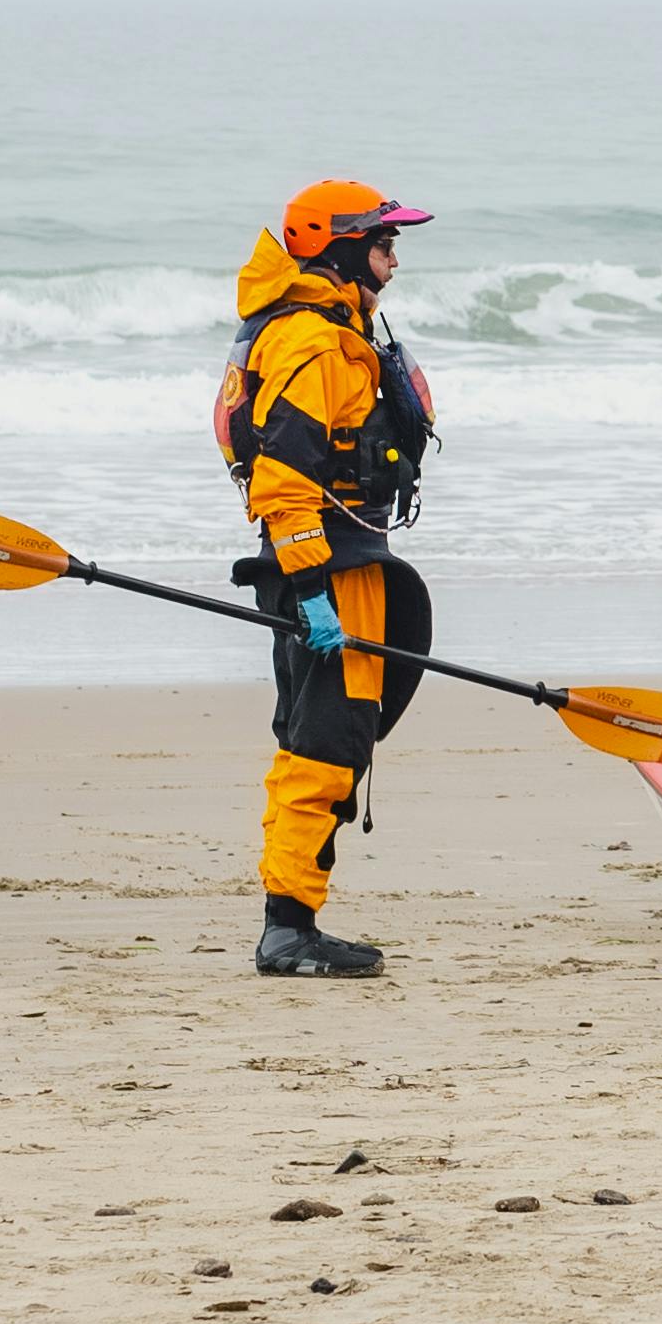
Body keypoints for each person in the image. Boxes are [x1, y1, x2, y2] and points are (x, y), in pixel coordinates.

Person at [217, 180, 436, 975]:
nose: (394, 255)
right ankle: (288, 928)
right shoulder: (313, 344)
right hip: (327, 567)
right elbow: (281, 479)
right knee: (327, 742)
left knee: (326, 739)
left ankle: (293, 914)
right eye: (383, 240)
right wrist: (312, 593)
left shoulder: (335, 330)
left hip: (339, 559)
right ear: (340, 248)